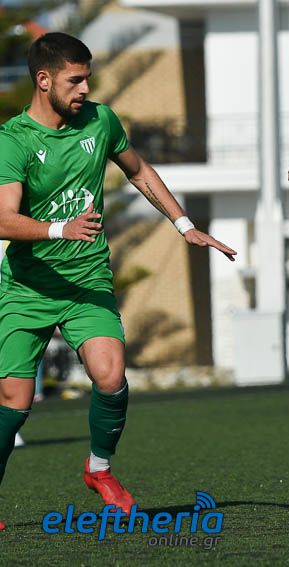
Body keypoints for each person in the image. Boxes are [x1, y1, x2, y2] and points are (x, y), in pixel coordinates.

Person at [0, 32, 237, 531]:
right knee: (14, 405)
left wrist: (184, 225)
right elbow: (3, 219)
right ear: (43, 81)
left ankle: (99, 469)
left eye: (88, 78)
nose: (85, 88)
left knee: (110, 377)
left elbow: (139, 170)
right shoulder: (13, 140)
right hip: (28, 289)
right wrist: (60, 229)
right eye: (75, 80)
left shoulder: (101, 120)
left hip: (87, 282)